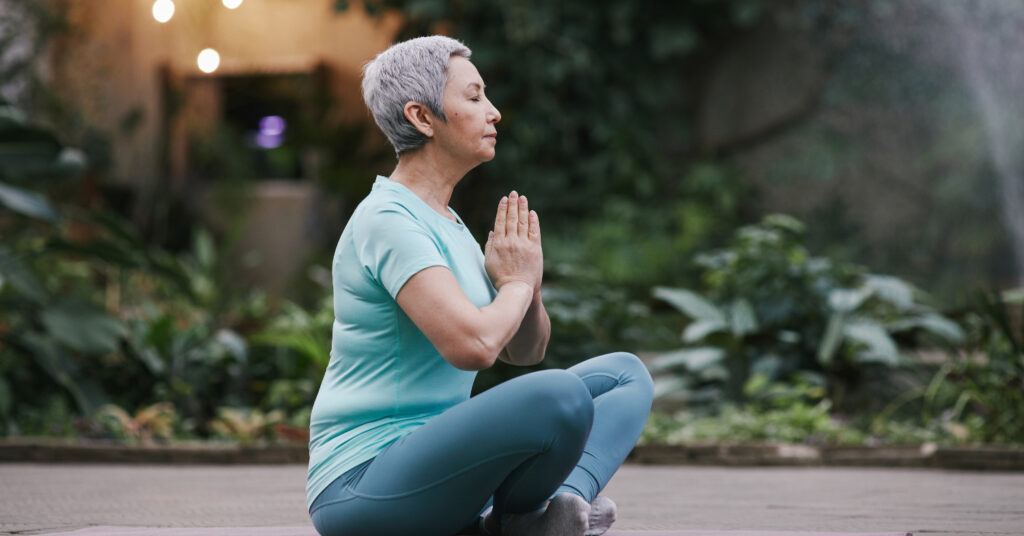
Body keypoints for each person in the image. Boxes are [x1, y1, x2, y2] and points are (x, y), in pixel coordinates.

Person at [306, 35, 654, 536]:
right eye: (473, 97)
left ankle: (557, 508)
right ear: (422, 118)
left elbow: (523, 350)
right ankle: (516, 522)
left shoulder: (447, 222)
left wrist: (527, 284)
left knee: (625, 375)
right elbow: (473, 346)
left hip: (439, 472)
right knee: (559, 396)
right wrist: (513, 282)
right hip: (363, 484)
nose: (493, 112)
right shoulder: (387, 219)